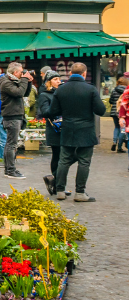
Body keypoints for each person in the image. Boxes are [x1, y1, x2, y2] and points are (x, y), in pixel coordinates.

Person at [51, 62, 106, 202]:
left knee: (63, 160)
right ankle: (80, 193)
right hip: (86, 130)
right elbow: (101, 110)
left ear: (70, 73)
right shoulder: (90, 89)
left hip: (68, 128)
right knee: (84, 161)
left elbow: (53, 111)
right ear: (84, 73)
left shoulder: (61, 89)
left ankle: (60, 191)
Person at [35, 70, 70, 197]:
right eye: (56, 79)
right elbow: (45, 112)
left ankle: (56, 182)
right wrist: (57, 105)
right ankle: (58, 184)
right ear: (49, 81)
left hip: (64, 128)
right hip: (54, 129)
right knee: (58, 156)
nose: (59, 81)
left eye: (59, 79)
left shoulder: (60, 93)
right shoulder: (44, 95)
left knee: (65, 157)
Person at [0, 62, 32, 179]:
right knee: (11, 144)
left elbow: (25, 93)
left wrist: (29, 81)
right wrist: (24, 80)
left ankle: (9, 169)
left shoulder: (13, 81)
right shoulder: (5, 83)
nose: (23, 73)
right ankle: (10, 170)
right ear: (15, 72)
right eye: (21, 71)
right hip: (11, 116)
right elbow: (19, 93)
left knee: (11, 144)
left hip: (16, 115)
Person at [108, 76, 128, 152]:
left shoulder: (114, 90)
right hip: (123, 113)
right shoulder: (126, 91)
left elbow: (111, 100)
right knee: (122, 129)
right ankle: (119, 147)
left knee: (116, 127)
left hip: (114, 112)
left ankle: (114, 142)